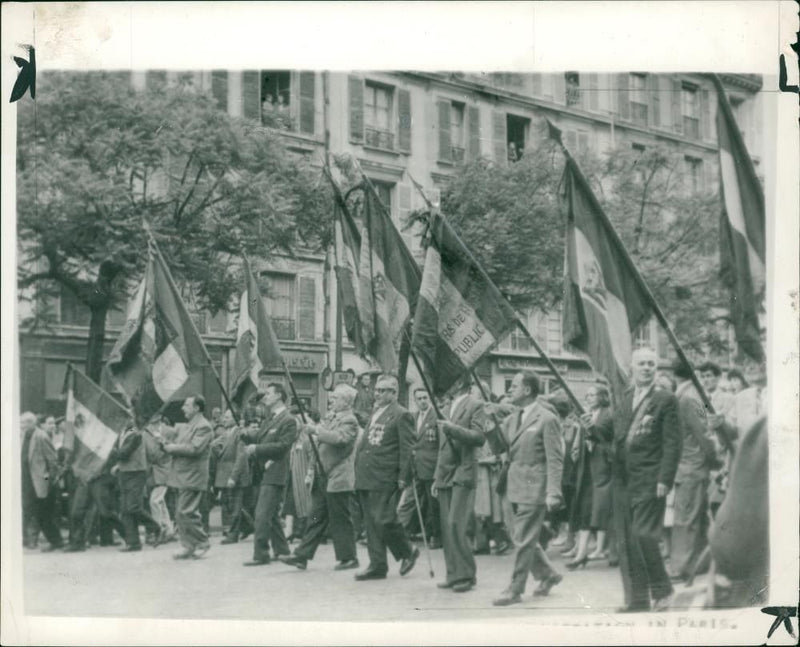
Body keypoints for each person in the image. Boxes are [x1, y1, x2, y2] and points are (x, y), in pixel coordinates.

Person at [610, 347, 681, 612]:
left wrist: (665, 478)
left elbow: (673, 444)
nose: (647, 368)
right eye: (642, 364)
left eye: (652, 363)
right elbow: (616, 436)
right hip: (624, 480)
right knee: (629, 542)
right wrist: (593, 428)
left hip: (651, 479)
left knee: (644, 534)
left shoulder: (666, 399)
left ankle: (664, 591)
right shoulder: (626, 398)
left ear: (657, 369)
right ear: (632, 368)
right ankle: (638, 600)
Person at [489, 371, 564, 606]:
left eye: (514, 385)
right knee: (521, 537)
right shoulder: (514, 418)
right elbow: (500, 447)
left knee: (523, 538)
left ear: (528, 390)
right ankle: (548, 574)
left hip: (535, 487)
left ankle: (515, 588)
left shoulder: (547, 418)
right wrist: (490, 426)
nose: (510, 390)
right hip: (513, 485)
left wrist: (553, 491)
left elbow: (555, 458)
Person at [280, 383, 360, 571]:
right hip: (323, 475)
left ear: (346, 402)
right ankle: (302, 555)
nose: (332, 401)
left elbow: (340, 439)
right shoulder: (331, 418)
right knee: (315, 517)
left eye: (336, 398)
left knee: (340, 518)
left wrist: (316, 430)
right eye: (332, 398)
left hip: (338, 476)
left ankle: (349, 557)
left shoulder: (350, 420)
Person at [353, 374, 419, 581]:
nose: (378, 394)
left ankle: (407, 551)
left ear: (394, 393)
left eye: (383, 390)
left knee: (383, 518)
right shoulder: (375, 412)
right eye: (377, 390)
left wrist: (404, 476)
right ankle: (377, 564)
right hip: (366, 474)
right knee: (371, 523)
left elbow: (408, 448)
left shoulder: (401, 414)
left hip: (385, 475)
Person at [432, 375, 486, 593]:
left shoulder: (476, 405)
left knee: (456, 523)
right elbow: (442, 448)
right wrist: (437, 477)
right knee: (447, 526)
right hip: (445, 472)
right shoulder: (447, 407)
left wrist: (453, 428)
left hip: (463, 470)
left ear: (461, 382)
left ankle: (466, 574)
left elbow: (479, 437)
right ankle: (453, 573)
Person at [669, 360, 714, 583]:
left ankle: (681, 567)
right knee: (695, 517)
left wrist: (712, 459)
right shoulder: (690, 395)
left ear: (673, 374)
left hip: (691, 466)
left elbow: (702, 434)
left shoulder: (686, 398)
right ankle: (700, 563)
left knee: (686, 518)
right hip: (690, 465)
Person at [243, 384, 298, 566]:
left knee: (262, 514)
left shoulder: (288, 420)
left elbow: (282, 446)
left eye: (268, 393)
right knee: (272, 514)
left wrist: (256, 449)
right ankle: (282, 550)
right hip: (264, 472)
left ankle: (261, 554)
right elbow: (260, 436)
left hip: (276, 471)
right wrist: (247, 436)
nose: (264, 396)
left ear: (279, 396)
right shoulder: (270, 418)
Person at [162, 395, 213, 560]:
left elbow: (194, 449)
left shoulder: (204, 426)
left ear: (197, 408)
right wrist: (161, 438)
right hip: (183, 476)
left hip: (193, 476)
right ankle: (188, 546)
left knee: (187, 512)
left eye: (186, 405)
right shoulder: (188, 425)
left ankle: (202, 543)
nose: (183, 408)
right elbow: (173, 437)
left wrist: (171, 448)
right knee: (180, 513)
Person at [397, 387, 441, 549]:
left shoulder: (437, 416)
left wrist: (439, 471)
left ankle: (436, 536)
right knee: (408, 501)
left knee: (432, 504)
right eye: (419, 399)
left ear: (430, 398)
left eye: (425, 398)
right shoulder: (413, 417)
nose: (423, 401)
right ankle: (400, 533)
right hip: (414, 467)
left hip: (431, 467)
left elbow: (441, 445)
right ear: (415, 401)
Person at [112, 420, 162, 552]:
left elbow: (124, 453)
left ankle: (156, 527)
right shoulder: (123, 431)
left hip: (136, 473)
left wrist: (110, 451)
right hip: (125, 472)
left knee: (133, 507)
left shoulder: (135, 432)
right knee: (125, 509)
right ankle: (133, 543)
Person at [22, 411, 64, 551]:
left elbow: (52, 461)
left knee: (44, 513)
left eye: (24, 423)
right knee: (30, 510)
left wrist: (47, 480)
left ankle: (56, 541)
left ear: (32, 423)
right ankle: (30, 540)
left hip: (41, 482)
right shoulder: (23, 436)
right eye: (21, 423)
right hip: (27, 480)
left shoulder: (41, 436)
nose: (22, 426)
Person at [583, 385, 614, 562]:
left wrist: (591, 429)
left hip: (604, 462)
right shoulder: (592, 413)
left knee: (602, 504)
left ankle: (602, 547)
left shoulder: (607, 414)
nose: (589, 397)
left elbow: (603, 434)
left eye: (592, 395)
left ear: (602, 396)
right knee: (595, 504)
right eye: (587, 395)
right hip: (594, 461)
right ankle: (598, 544)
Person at [214, 410, 253, 544]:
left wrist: (234, 477)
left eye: (227, 417)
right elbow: (223, 453)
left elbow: (241, 457)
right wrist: (216, 446)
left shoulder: (239, 434)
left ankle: (233, 534)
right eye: (224, 417)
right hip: (224, 475)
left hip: (235, 475)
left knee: (235, 505)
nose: (223, 419)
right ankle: (248, 526)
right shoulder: (225, 434)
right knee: (228, 504)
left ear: (235, 420)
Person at [143, 417, 177, 544]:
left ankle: (158, 530)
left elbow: (175, 446)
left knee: (155, 501)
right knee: (160, 501)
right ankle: (168, 530)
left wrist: (162, 441)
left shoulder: (170, 431)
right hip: (153, 471)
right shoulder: (145, 431)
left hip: (165, 469)